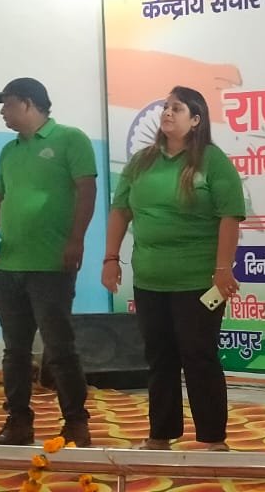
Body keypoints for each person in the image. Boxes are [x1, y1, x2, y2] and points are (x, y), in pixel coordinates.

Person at [102, 86, 243, 452]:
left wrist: (223, 268)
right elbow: (120, 211)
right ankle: (160, 434)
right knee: (159, 357)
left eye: (176, 108)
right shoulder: (141, 162)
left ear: (195, 120)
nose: (167, 112)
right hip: (149, 279)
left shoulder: (212, 160)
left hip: (198, 281)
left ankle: (213, 439)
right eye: (165, 107)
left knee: (198, 356)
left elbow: (230, 217)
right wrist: (110, 258)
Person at [0, 78, 96, 446]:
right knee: (14, 351)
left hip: (51, 264)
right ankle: (18, 422)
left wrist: (76, 239)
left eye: (7, 103)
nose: (2, 111)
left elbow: (87, 191)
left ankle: (76, 423)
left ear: (28, 103)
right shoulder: (8, 151)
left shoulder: (71, 139)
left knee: (59, 349)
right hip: (10, 264)